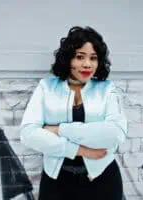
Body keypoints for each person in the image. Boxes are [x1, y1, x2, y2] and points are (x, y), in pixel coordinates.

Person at [19, 26, 128, 200]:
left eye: (93, 58)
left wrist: (59, 129)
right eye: (80, 57)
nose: (87, 64)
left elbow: (115, 134)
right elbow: (28, 134)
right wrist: (81, 150)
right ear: (68, 59)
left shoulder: (107, 89)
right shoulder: (46, 87)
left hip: (103, 178)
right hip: (57, 181)